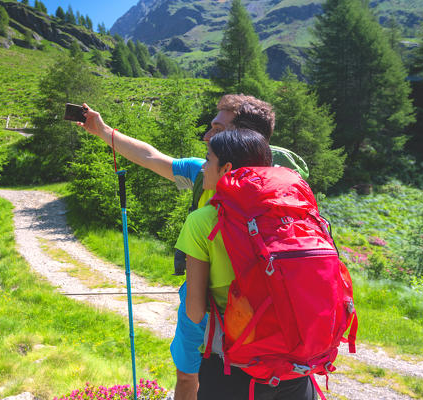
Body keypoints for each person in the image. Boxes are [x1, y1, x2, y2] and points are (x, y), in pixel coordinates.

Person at [79, 94, 308, 400]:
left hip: (211, 316)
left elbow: (196, 310)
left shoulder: (207, 204)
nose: (206, 135)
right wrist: (105, 132)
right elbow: (152, 156)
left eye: (216, 127)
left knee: (193, 379)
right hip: (278, 320)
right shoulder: (285, 193)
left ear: (242, 137)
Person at [177, 129, 316, 400]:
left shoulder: (204, 220)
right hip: (295, 363)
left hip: (233, 367)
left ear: (226, 168)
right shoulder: (293, 211)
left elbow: (194, 312)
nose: (204, 167)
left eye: (208, 160)